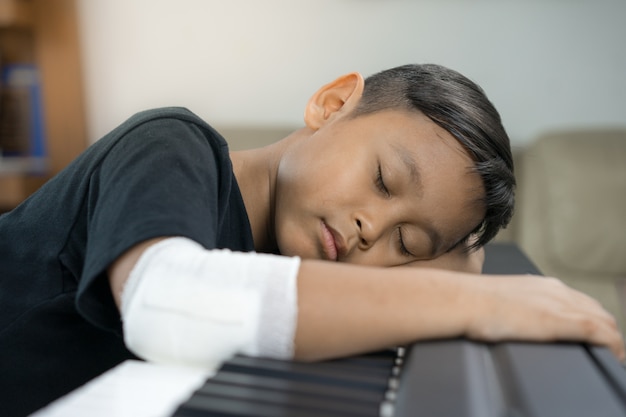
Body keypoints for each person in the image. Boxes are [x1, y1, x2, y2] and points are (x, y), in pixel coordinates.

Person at [1, 64, 623, 416]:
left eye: (406, 242)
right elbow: (170, 301)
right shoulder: (172, 146)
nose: (370, 229)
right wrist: (488, 305)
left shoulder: (286, 259)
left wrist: (452, 264)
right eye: (383, 179)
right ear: (331, 103)